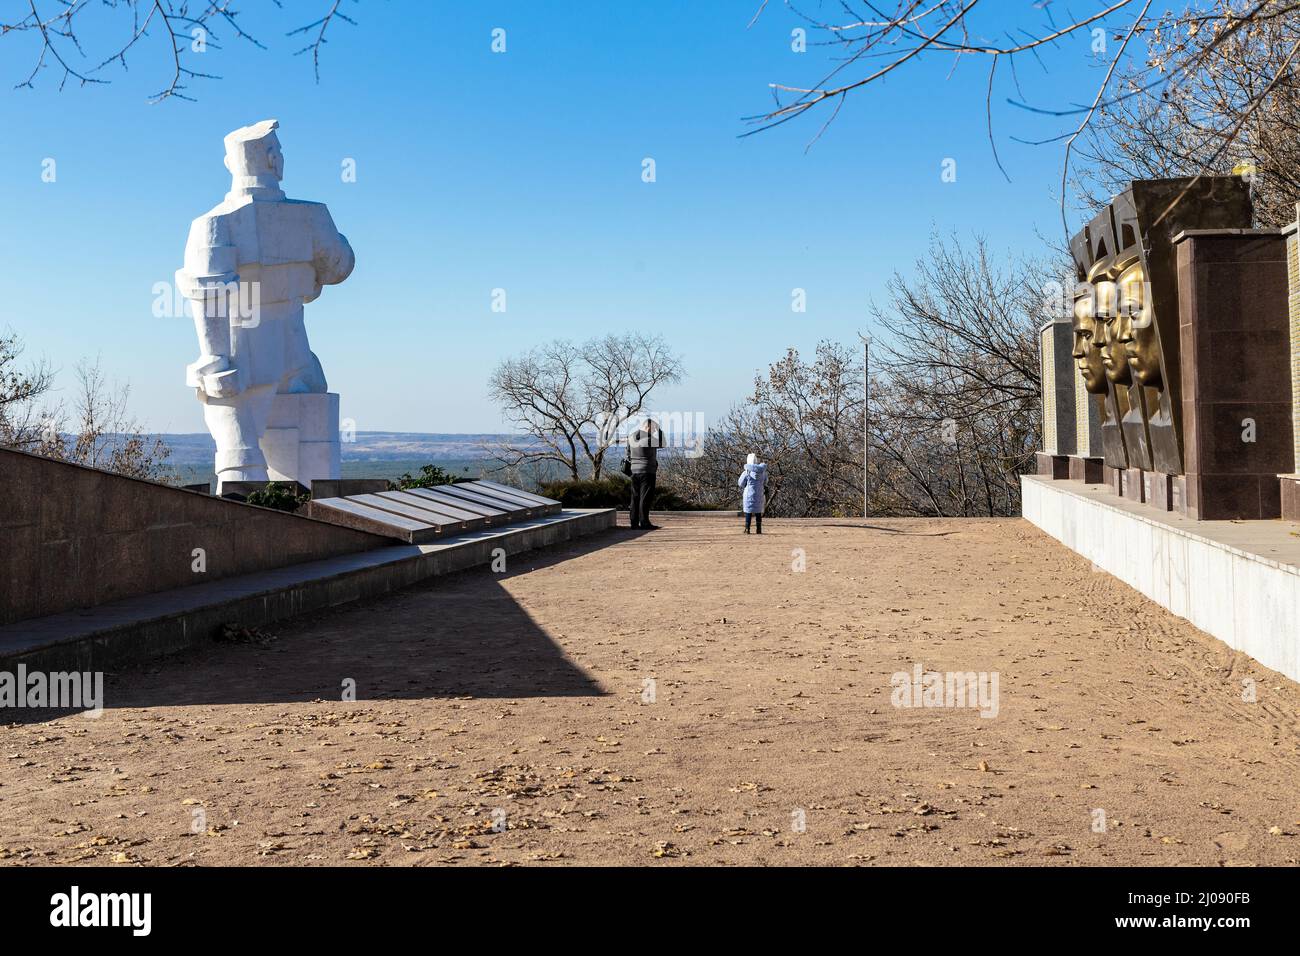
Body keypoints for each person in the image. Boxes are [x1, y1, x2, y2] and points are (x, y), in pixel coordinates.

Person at [627, 418, 663, 530]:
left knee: (635, 497)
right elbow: (662, 443)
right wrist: (660, 431)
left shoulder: (631, 437)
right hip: (647, 471)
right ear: (648, 427)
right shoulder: (649, 439)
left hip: (634, 470)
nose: (653, 431)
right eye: (653, 429)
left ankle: (634, 522)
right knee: (645, 498)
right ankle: (644, 522)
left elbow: (628, 453)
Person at [737, 452, 767, 534]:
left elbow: (740, 483)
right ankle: (759, 529)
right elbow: (766, 481)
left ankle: (747, 529)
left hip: (749, 495)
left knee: (748, 512)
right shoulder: (763, 472)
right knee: (758, 512)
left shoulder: (746, 472)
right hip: (759, 494)